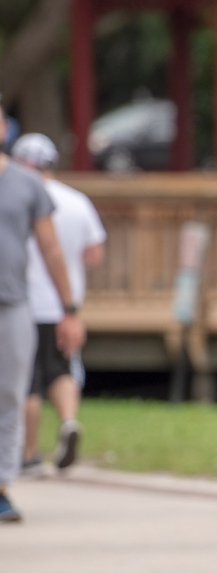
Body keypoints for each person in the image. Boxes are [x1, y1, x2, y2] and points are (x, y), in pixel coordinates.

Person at [0, 108, 85, 522]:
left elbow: (51, 250)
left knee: (13, 393)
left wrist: (69, 310)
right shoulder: (60, 193)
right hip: (26, 305)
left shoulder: (25, 184)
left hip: (15, 304)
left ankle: (2, 484)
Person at [12, 134, 106, 474]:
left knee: (28, 382)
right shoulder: (77, 201)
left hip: (23, 303)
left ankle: (30, 453)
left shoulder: (18, 196)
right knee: (62, 370)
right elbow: (94, 253)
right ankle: (67, 421)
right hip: (65, 305)